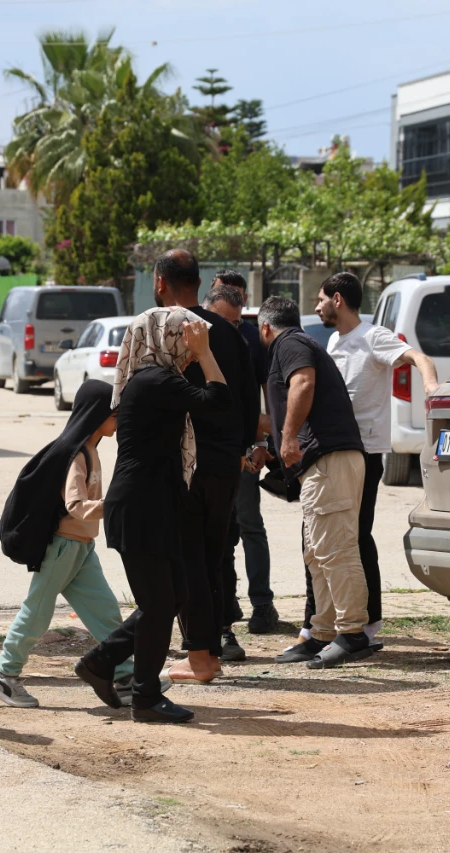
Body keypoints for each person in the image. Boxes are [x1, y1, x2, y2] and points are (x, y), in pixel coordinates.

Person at [74, 308, 231, 723]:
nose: (193, 349)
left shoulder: (157, 380)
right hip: (140, 508)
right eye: (187, 338)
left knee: (169, 597)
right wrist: (207, 353)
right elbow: (218, 401)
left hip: (152, 506)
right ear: (165, 337)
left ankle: (104, 664)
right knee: (159, 602)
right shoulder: (154, 379)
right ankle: (140, 694)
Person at [307, 271, 439, 643]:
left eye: (320, 299)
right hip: (335, 451)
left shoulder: (373, 336)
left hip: (364, 454)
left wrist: (431, 386)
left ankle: (369, 622)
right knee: (334, 539)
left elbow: (418, 356)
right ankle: (332, 619)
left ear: (338, 300)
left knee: (358, 535)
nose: (316, 307)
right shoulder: (334, 340)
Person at [0, 380, 134, 708]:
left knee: (106, 610)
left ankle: (125, 676)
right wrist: (116, 506)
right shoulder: (76, 455)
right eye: (115, 414)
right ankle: (5, 677)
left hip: (83, 547)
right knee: (37, 611)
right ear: (99, 416)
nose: (119, 421)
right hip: (63, 547)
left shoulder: (92, 450)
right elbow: (76, 506)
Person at [151, 250, 259, 678]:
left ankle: (199, 655)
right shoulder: (231, 334)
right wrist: (239, 450)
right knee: (213, 557)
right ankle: (209, 649)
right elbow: (250, 402)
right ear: (199, 284)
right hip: (226, 465)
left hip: (182, 466)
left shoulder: (160, 329)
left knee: (187, 559)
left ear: (161, 284)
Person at [257, 296, 371, 668]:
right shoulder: (300, 342)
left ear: (265, 328)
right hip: (324, 464)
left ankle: (353, 632)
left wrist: (288, 437)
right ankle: (321, 631)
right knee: (317, 552)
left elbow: (303, 383)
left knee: (335, 549)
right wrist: (270, 440)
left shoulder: (288, 342)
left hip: (329, 461)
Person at [209, 270, 278, 636]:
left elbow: (264, 395)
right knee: (219, 532)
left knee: (248, 524)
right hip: (210, 449)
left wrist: (263, 445)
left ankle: (262, 605)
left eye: (234, 295)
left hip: (246, 449)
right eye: (221, 293)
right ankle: (224, 607)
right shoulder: (195, 331)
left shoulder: (252, 338)